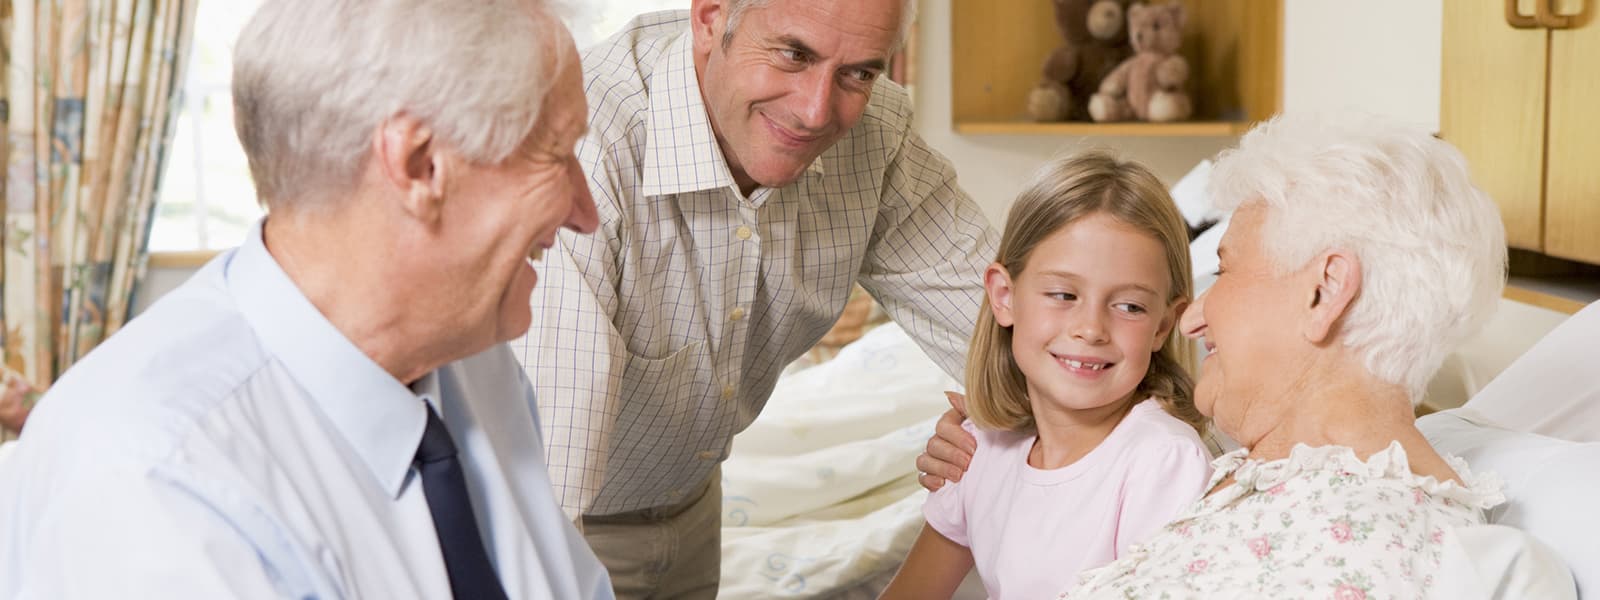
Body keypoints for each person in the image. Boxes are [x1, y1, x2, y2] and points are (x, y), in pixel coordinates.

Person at [0, 1, 613, 598]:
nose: (586, 214)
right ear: (421, 165)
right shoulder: (152, 485)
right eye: (558, 155)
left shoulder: (472, 357)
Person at [516, 0, 997, 594]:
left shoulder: (877, 133)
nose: (816, 111)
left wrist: (1031, 420)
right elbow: (549, 476)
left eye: (860, 73)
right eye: (794, 55)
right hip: (562, 522)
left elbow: (1012, 330)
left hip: (693, 504)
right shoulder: (588, 140)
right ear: (711, 16)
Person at [928, 113, 1511, 597]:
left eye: (1226, 268)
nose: (1192, 316)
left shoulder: (1355, 545)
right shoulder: (1265, 492)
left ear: (1324, 291)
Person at [880, 151, 1213, 599]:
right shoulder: (980, 450)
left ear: (1163, 325)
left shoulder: (1164, 462)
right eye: (1062, 294)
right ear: (1004, 296)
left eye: (1129, 306)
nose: (1091, 329)